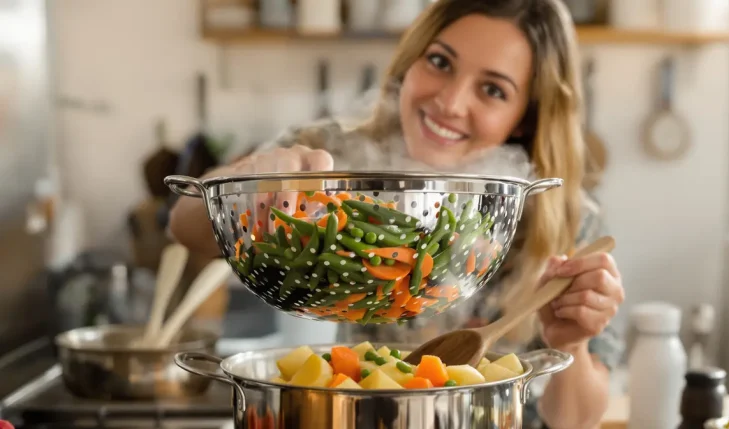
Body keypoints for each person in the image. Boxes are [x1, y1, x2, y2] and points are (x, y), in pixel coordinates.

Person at [169, 0, 625, 427]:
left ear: (525, 116)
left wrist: (572, 343)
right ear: (411, 63)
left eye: (492, 89)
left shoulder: (564, 219)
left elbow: (575, 420)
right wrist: (246, 177)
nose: (450, 102)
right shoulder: (336, 157)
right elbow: (187, 225)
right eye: (440, 62)